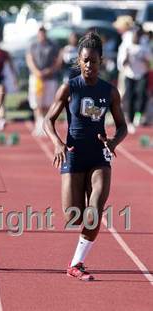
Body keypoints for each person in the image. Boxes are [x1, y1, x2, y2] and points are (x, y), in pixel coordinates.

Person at [44, 32, 127, 281]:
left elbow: (122, 126)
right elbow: (48, 120)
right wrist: (57, 143)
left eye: (94, 61)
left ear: (101, 61)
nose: (89, 65)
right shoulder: (70, 87)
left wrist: (114, 141)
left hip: (99, 155)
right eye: (85, 61)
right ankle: (78, 255)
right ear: (79, 62)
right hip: (73, 154)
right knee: (73, 215)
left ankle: (76, 263)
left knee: (95, 209)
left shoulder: (110, 92)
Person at [26, 26, 62, 136]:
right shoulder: (33, 45)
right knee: (36, 102)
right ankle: (38, 124)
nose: (42, 36)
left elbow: (58, 61)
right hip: (36, 78)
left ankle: (46, 125)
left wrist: (48, 71)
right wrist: (36, 72)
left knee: (48, 103)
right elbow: (29, 59)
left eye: (43, 33)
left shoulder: (53, 46)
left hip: (50, 78)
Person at [117, 25, 151, 133]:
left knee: (141, 95)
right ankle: (130, 121)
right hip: (129, 74)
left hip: (142, 73)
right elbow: (122, 64)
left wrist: (144, 59)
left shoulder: (144, 46)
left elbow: (149, 62)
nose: (136, 38)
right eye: (135, 35)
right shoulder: (126, 45)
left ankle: (138, 115)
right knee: (130, 96)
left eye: (138, 36)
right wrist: (127, 56)